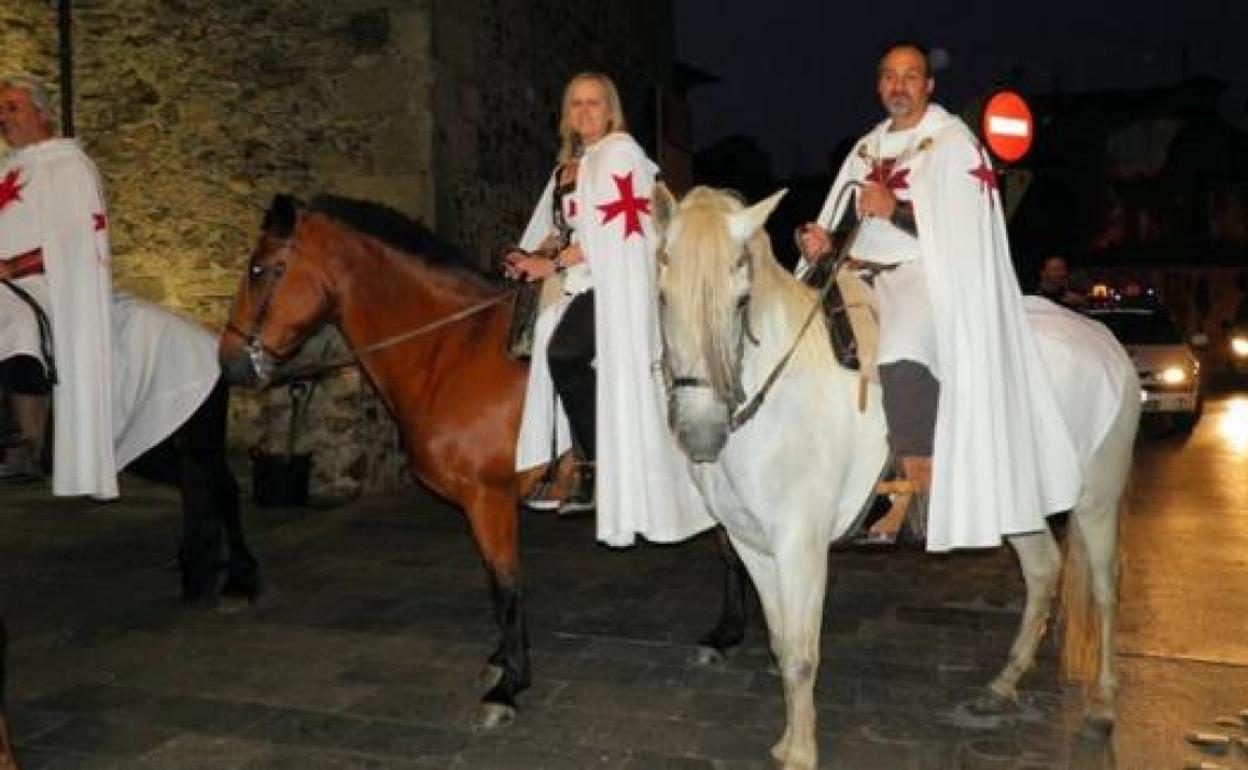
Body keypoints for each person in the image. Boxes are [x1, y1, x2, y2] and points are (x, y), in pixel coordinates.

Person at [795, 43, 1081, 552]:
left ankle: (918, 483)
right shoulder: (866, 148)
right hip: (860, 273)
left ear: (929, 85)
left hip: (924, 273)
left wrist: (899, 208)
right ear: (878, 85)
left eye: (910, 76)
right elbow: (845, 226)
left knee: (900, 347)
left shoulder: (952, 143)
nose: (898, 85)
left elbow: (966, 229)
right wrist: (821, 244)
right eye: (888, 76)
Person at [506, 71, 711, 546]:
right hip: (573, 283)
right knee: (537, 348)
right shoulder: (571, 167)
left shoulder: (621, 155)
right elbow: (559, 227)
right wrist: (529, 255)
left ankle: (596, 464)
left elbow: (608, 236)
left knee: (564, 354)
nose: (584, 112)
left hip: (611, 285)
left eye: (594, 103)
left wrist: (552, 261)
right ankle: (559, 461)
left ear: (611, 109)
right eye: (575, 104)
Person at [0, 74, 220, 500]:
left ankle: (26, 442)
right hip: (8, 282)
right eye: (0, 110)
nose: (3, 117)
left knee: (16, 321)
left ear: (42, 113)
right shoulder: (11, 168)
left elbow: (77, 238)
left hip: (47, 285)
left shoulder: (67, 165)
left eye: (13, 107)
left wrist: (12, 265)